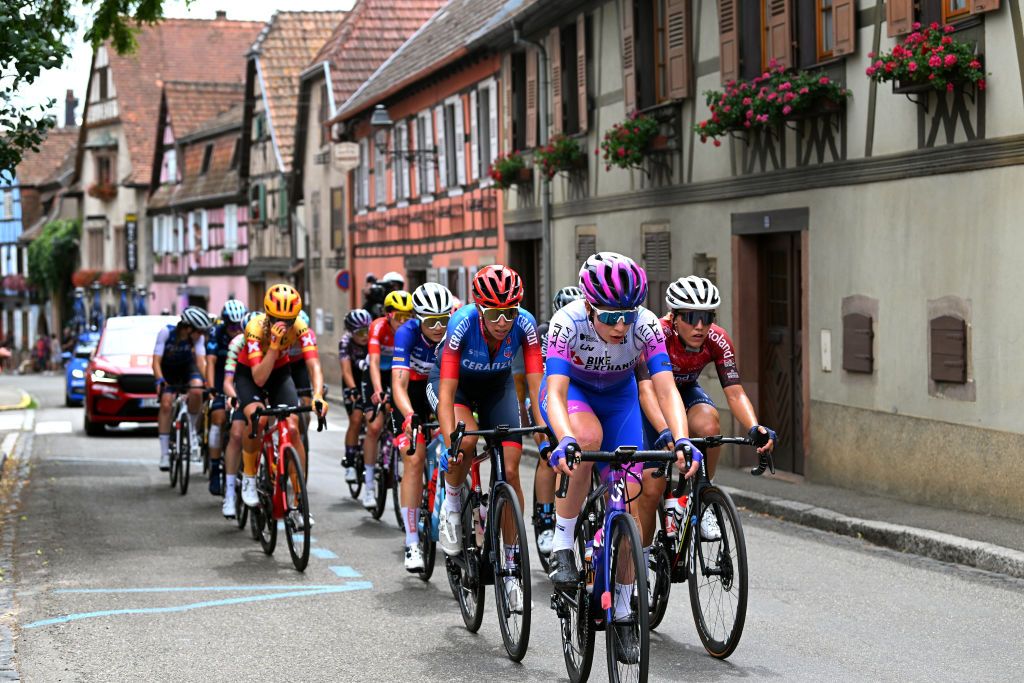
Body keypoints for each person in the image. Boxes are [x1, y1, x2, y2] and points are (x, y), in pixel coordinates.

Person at [540, 253, 702, 606]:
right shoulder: (565, 323)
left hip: (619, 398)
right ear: (588, 305)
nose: (620, 327)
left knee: (629, 505)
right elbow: (555, 391)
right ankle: (563, 542)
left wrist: (682, 439)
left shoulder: (646, 325)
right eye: (610, 317)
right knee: (586, 439)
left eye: (627, 317)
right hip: (575, 394)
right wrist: (565, 437)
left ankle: (627, 606)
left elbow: (665, 388)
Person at [636, 275, 777, 543]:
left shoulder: (717, 339)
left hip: (685, 390)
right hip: (651, 395)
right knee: (652, 489)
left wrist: (753, 427)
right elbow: (648, 392)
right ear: (674, 316)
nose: (700, 326)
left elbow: (735, 393)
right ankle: (641, 559)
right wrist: (665, 431)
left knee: (709, 426)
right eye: (690, 316)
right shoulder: (656, 334)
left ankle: (700, 493)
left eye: (708, 317)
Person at [431, 266, 545, 557]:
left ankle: (510, 560)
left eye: (511, 312)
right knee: (464, 442)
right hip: (457, 388)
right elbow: (445, 394)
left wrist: (547, 433)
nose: (503, 322)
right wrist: (449, 442)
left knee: (509, 469)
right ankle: (453, 506)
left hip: (497, 387)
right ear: (480, 310)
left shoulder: (526, 325)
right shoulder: (461, 323)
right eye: (494, 314)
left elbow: (537, 388)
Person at [235, 285, 327, 530]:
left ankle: (299, 503)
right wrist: (274, 346)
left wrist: (318, 395)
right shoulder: (255, 328)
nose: (284, 325)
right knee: (259, 418)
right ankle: (249, 476)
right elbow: (259, 378)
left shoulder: (301, 328)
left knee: (294, 427)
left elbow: (313, 365)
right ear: (268, 315)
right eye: (278, 319)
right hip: (251, 373)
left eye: (289, 319)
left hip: (280, 372)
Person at [392, 282, 454, 571]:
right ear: (419, 319)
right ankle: (412, 541)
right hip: (413, 396)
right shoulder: (407, 333)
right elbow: (399, 383)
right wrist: (408, 415)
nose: (439, 327)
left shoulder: (455, 330)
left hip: (441, 390)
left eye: (444, 319)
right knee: (414, 459)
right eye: (432, 322)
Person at [530, 285, 584, 563]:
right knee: (549, 454)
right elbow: (538, 374)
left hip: (578, 396)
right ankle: (545, 517)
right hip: (547, 391)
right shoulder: (546, 332)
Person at [361, 290, 414, 509]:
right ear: (388, 315)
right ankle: (369, 485)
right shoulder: (378, 327)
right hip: (378, 374)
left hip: (399, 372)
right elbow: (373, 362)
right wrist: (378, 390)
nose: (402, 321)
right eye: (398, 317)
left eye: (407, 316)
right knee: (374, 426)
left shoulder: (411, 330)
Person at [153, 307, 212, 471]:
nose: (201, 335)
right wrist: (159, 380)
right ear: (188, 327)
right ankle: (165, 454)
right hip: (168, 371)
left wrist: (209, 381)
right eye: (198, 331)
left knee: (197, 390)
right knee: (166, 403)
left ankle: (192, 430)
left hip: (187, 369)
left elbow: (201, 362)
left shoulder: (197, 339)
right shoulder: (166, 333)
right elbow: (156, 361)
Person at [205, 299, 248, 496]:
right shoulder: (216, 333)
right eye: (231, 326)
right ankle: (215, 468)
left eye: (239, 326)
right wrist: (212, 389)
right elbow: (211, 362)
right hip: (223, 377)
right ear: (224, 323)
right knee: (218, 418)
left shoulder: (247, 334)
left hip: (242, 378)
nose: (236, 331)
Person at [220, 312, 257, 518]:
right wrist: (233, 397)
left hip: (265, 393)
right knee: (236, 435)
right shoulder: (237, 344)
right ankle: (230, 493)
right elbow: (228, 380)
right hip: (243, 392)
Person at [339, 309, 373, 483]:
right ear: (351, 332)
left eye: (367, 330)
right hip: (352, 380)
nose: (365, 336)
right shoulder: (345, 342)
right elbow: (346, 370)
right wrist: (353, 389)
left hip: (370, 380)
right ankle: (350, 462)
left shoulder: (374, 339)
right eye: (360, 333)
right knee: (356, 418)